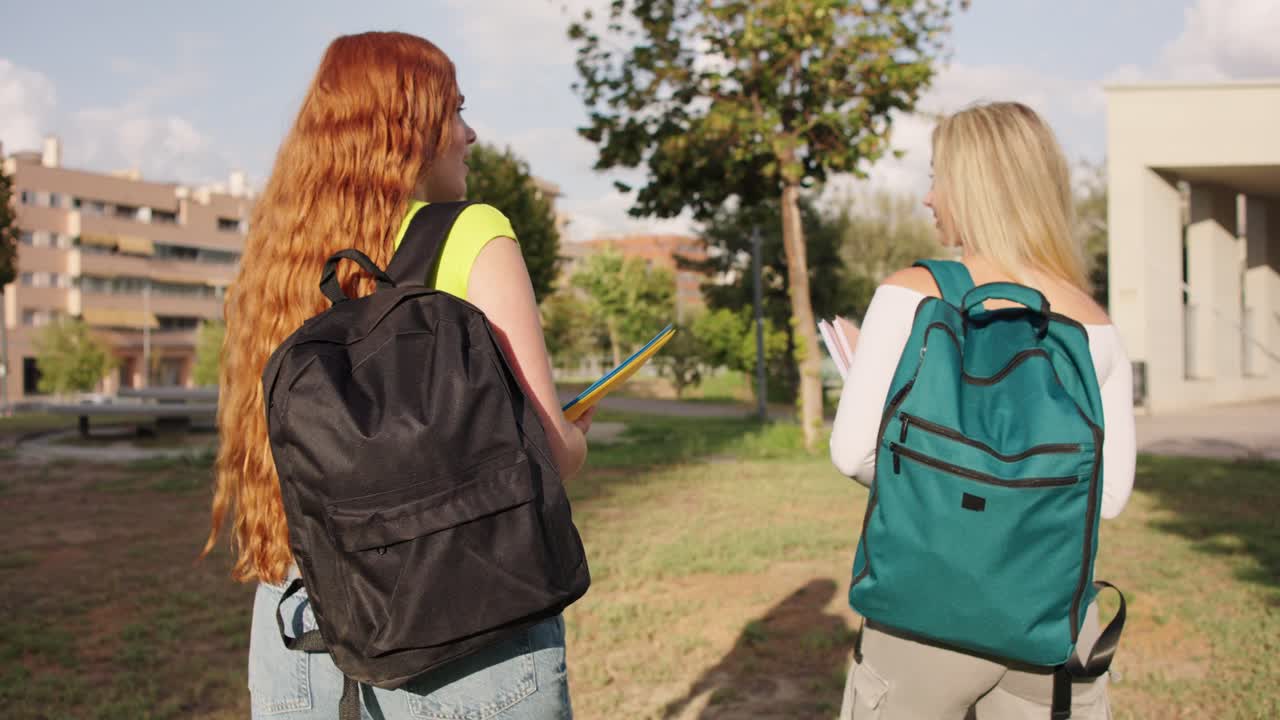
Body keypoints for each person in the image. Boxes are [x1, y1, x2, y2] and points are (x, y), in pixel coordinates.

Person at [203, 32, 593, 719]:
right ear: (407, 126)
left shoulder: (280, 258)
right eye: (456, 112)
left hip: (298, 632)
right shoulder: (472, 233)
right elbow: (547, 459)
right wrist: (574, 434)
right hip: (462, 631)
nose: (470, 134)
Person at [829, 101, 1136, 719]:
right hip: (1050, 622)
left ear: (975, 187)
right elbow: (1105, 498)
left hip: (924, 614)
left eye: (938, 176)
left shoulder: (909, 295)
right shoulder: (1095, 322)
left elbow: (853, 451)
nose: (929, 197)